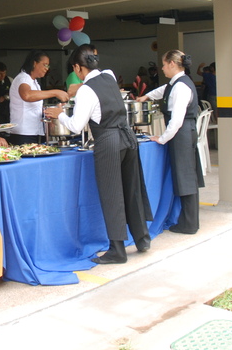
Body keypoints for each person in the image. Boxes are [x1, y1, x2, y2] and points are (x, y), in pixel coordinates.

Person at [44, 45, 153, 264]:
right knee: (132, 189)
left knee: (112, 194)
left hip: (108, 141)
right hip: (127, 137)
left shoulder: (86, 90)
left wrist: (59, 115)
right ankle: (142, 238)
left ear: (77, 67)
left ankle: (117, 250)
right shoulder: (109, 75)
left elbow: (76, 126)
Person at [137, 50, 205, 235]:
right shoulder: (176, 83)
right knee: (184, 176)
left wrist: (162, 138)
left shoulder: (181, 86)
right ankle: (187, 220)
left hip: (182, 134)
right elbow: (163, 91)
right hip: (182, 133)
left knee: (186, 178)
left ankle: (189, 223)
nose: (162, 68)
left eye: (164, 64)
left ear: (172, 64)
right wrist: (146, 97)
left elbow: (176, 120)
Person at [8, 50, 70, 145]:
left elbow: (33, 106)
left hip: (34, 132)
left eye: (48, 66)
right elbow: (27, 95)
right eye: (44, 65)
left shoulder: (34, 82)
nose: (46, 69)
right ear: (34, 63)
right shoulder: (23, 78)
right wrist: (55, 92)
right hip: (23, 133)